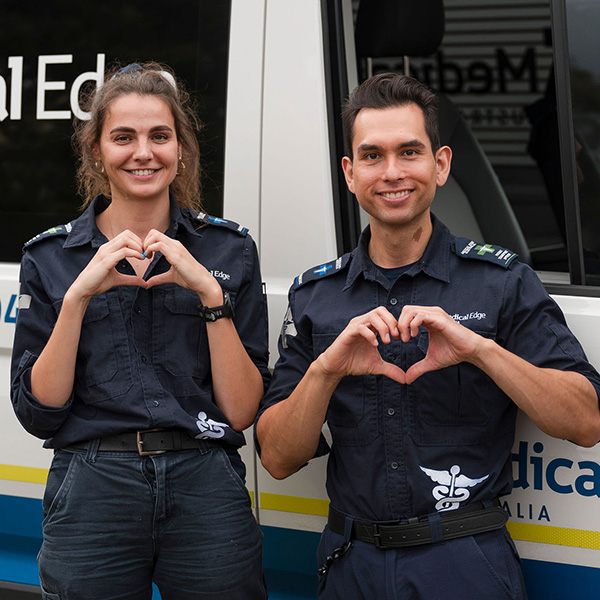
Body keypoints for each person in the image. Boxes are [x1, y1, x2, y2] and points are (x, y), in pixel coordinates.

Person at [255, 73, 600, 599]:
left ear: (440, 164)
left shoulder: (501, 283)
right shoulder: (315, 297)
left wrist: (479, 350)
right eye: (372, 156)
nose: (392, 173)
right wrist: (325, 370)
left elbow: (585, 420)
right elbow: (277, 458)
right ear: (350, 173)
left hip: (464, 563)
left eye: (409, 152)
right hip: (352, 565)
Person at [11, 62, 269, 600]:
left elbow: (243, 411)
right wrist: (78, 298)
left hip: (204, 481)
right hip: (92, 483)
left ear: (181, 151)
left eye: (160, 136)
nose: (143, 152)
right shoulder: (51, 257)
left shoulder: (229, 250)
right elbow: (40, 412)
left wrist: (211, 298)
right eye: (122, 137)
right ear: (97, 152)